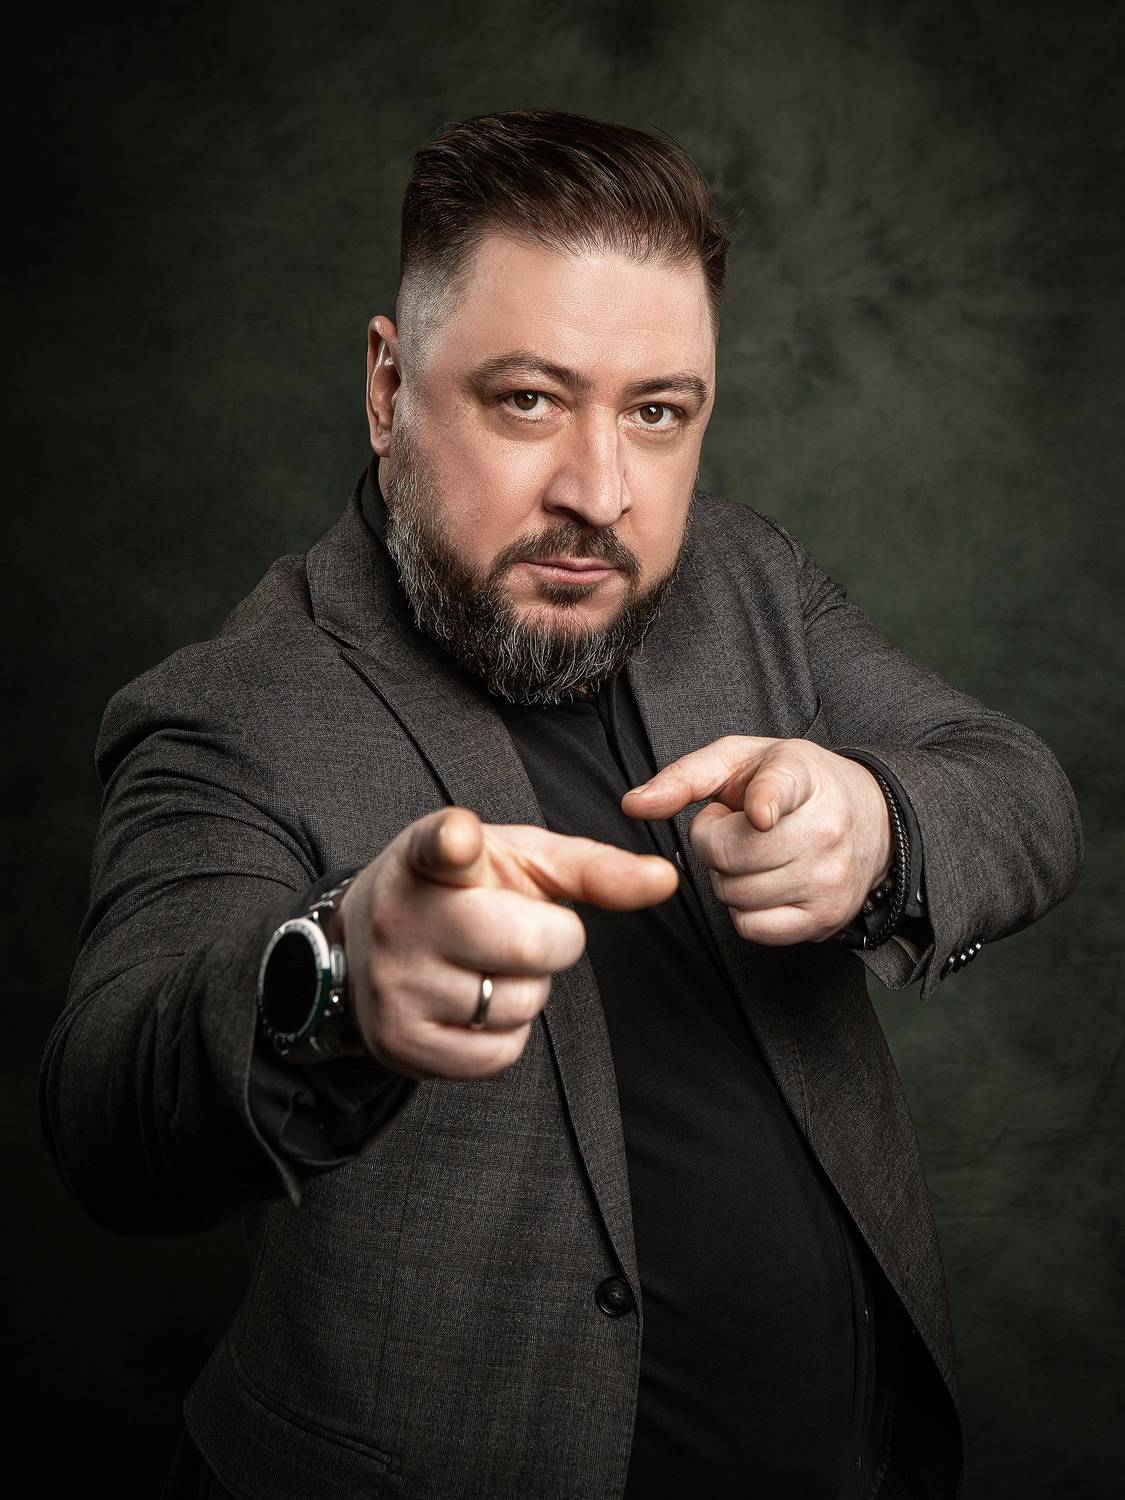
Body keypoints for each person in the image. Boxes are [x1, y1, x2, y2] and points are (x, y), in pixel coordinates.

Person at [40, 108, 1083, 1499]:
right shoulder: (237, 708)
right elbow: (110, 1110)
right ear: (387, 387)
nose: (601, 494)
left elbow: (1017, 788)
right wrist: (339, 974)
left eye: (658, 414)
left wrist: (879, 824)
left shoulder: (745, 581)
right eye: (529, 400)